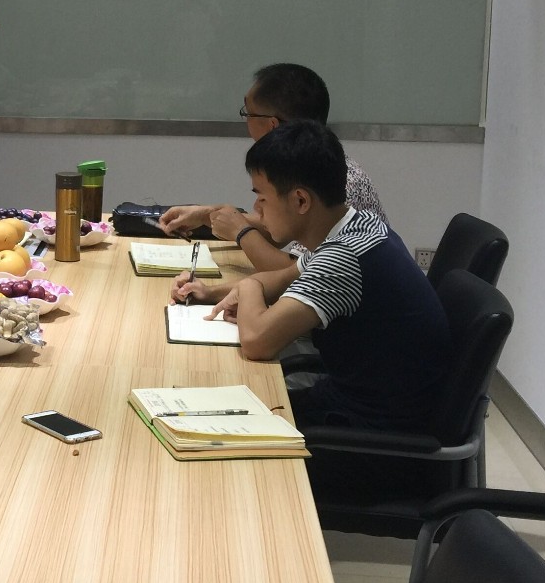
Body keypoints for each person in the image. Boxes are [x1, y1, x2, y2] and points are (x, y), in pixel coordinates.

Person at [171, 121, 448, 493]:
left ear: (301, 201)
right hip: (350, 408)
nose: (256, 209)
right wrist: (209, 292)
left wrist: (249, 287)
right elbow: (285, 277)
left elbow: (257, 341)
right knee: (209, 418)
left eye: (262, 198)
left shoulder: (344, 257)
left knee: (213, 452)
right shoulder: (355, 226)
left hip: (373, 447)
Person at [160, 62, 384, 274]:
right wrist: (207, 215)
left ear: (273, 126)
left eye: (248, 113)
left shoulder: (336, 182)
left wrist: (241, 231)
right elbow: (279, 229)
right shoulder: (316, 164)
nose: (246, 122)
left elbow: (296, 274)